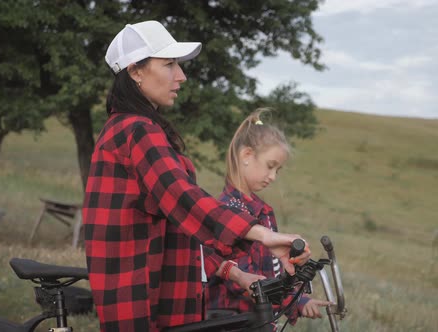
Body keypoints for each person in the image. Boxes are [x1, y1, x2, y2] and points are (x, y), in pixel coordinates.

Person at [83, 20, 310, 332]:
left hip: (161, 290)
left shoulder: (135, 129)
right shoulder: (137, 130)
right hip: (141, 297)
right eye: (170, 64)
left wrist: (234, 272)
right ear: (136, 71)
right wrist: (264, 235)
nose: (181, 76)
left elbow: (182, 221)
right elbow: (184, 198)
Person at [204, 109, 332, 329]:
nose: (273, 177)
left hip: (257, 317)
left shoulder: (261, 210)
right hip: (232, 320)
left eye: (278, 170)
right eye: (270, 166)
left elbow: (269, 273)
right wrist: (293, 301)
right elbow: (248, 282)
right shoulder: (229, 210)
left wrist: (299, 299)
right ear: (246, 156)